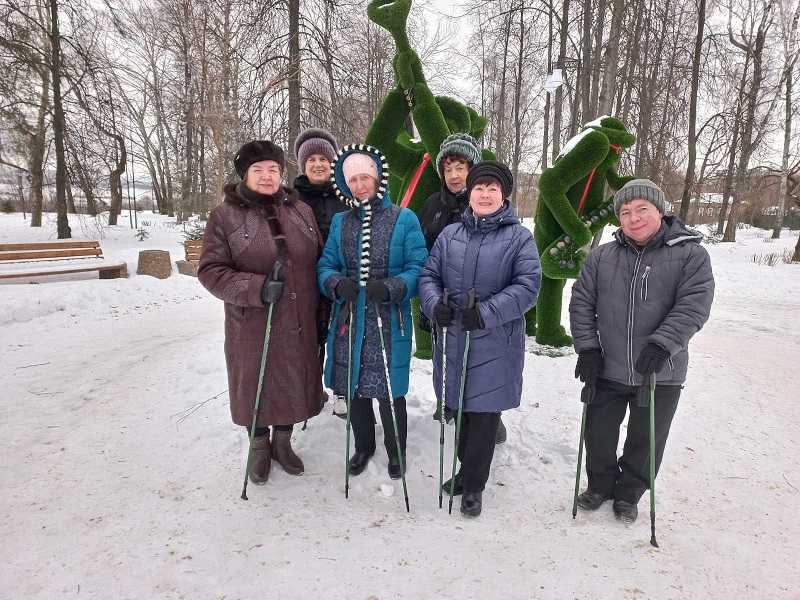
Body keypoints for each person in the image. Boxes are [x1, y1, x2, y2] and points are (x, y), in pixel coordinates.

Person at [569, 178, 714, 523]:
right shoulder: (602, 256)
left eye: (641, 209)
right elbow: (581, 302)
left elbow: (694, 305)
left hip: (660, 368)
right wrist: (588, 349)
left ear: (660, 211)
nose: (633, 218)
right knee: (599, 431)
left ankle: (630, 492)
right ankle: (600, 485)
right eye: (625, 212)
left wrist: (663, 343)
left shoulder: (690, 254)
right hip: (609, 365)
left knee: (646, 438)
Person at [199, 140, 326, 484]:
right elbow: (211, 271)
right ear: (244, 175)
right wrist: (255, 288)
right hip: (253, 322)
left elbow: (318, 258)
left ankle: (283, 442)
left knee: (293, 381)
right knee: (254, 381)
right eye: (258, 170)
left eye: (273, 169)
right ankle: (259, 445)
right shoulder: (224, 216)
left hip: (299, 318)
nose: (267, 176)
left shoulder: (300, 211)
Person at [418, 161, 541, 517]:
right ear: (469, 194)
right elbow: (430, 274)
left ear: (503, 196)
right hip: (455, 338)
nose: (485, 195)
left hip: (495, 341)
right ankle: (464, 470)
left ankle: (474, 485)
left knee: (485, 416)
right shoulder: (449, 235)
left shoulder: (520, 238)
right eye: (479, 188)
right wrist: (432, 304)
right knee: (461, 411)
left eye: (492, 189)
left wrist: (487, 312)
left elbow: (528, 286)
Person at [317, 144, 427, 480]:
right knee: (356, 386)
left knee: (390, 389)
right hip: (350, 318)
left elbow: (419, 266)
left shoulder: (404, 218)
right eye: (354, 180)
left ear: (378, 178)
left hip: (387, 318)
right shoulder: (340, 222)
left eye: (366, 177)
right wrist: (336, 283)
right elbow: (326, 265)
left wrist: (394, 286)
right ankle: (364, 445)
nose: (360, 185)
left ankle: (397, 451)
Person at [418, 134, 509, 445]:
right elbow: (424, 254)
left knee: (483, 360)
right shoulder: (432, 205)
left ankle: (487, 415)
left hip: (480, 301)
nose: (455, 176)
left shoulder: (486, 203)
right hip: (443, 298)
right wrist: (427, 302)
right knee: (446, 356)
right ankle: (450, 402)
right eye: (448, 169)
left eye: (461, 167)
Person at [292, 128, 349, 417]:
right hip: (304, 282)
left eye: (323, 159)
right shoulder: (291, 198)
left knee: (341, 335)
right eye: (311, 159)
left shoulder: (346, 194)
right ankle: (311, 390)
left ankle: (342, 391)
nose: (318, 164)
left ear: (333, 163)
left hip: (340, 279)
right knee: (310, 338)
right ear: (303, 165)